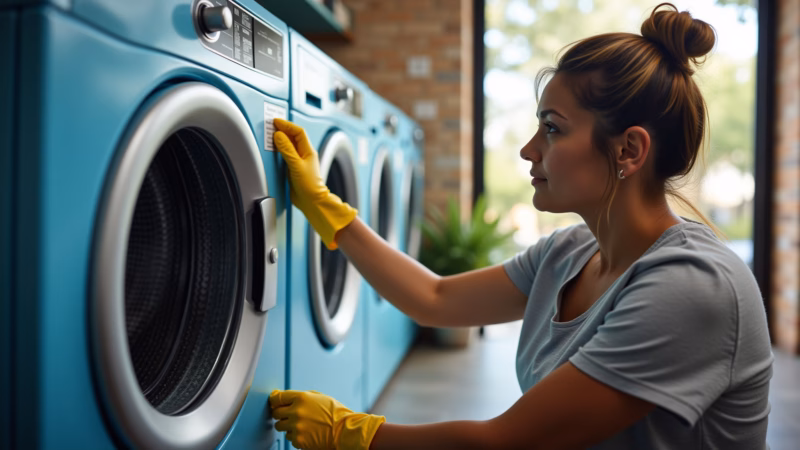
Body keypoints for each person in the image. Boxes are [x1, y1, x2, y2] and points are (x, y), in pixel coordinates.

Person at [268, 3, 773, 449]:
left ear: (629, 150)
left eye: (552, 128)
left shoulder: (692, 286)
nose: (529, 149)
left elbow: (506, 441)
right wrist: (327, 208)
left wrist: (351, 435)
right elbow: (435, 298)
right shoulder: (570, 252)